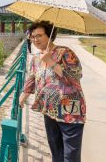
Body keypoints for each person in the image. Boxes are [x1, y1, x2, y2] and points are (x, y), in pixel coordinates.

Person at [19, 20, 86, 162]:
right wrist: (23, 95)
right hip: (49, 108)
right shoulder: (37, 57)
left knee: (71, 155)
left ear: (49, 35)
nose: (35, 39)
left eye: (39, 36)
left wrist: (51, 62)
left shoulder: (65, 52)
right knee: (55, 149)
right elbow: (32, 78)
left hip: (69, 110)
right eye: (33, 36)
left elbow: (75, 77)